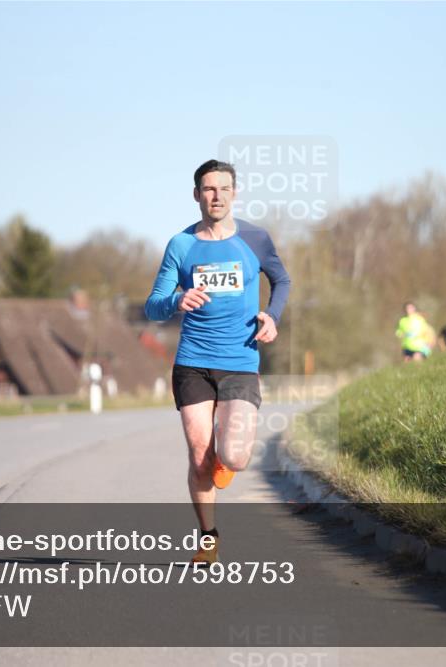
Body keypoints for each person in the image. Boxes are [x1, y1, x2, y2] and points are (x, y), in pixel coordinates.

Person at [144, 159, 291, 565]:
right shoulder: (181, 245)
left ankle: (223, 462)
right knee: (197, 455)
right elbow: (152, 307)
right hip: (192, 361)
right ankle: (208, 539)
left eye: (224, 188)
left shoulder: (255, 239)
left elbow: (282, 280)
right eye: (209, 189)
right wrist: (176, 300)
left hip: (240, 360)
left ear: (235, 192)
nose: (217, 196)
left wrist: (272, 316)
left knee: (235, 456)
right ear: (197, 195)